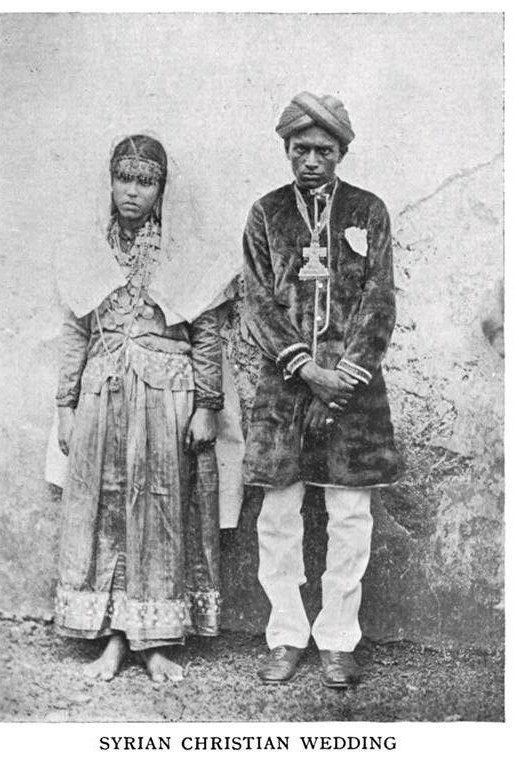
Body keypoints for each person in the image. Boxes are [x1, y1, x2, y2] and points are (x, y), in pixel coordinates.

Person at [52, 134, 241, 683]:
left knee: (161, 513)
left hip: (165, 396)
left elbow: (207, 333)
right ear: (110, 183)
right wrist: (65, 404)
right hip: (103, 393)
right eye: (124, 179)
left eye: (146, 181)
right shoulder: (88, 250)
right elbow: (73, 330)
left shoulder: (187, 256)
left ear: (162, 190)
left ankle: (156, 642)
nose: (132, 192)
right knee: (108, 508)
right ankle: (112, 639)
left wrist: (207, 405)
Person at [242, 92, 402, 688]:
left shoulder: (368, 210)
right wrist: (307, 369)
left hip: (353, 391)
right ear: (286, 149)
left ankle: (338, 639)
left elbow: (380, 298)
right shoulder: (265, 214)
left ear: (340, 152)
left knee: (349, 515)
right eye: (301, 149)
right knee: (278, 516)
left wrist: (345, 373)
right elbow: (257, 301)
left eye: (324, 150)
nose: (311, 160)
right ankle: (285, 634)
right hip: (286, 387)